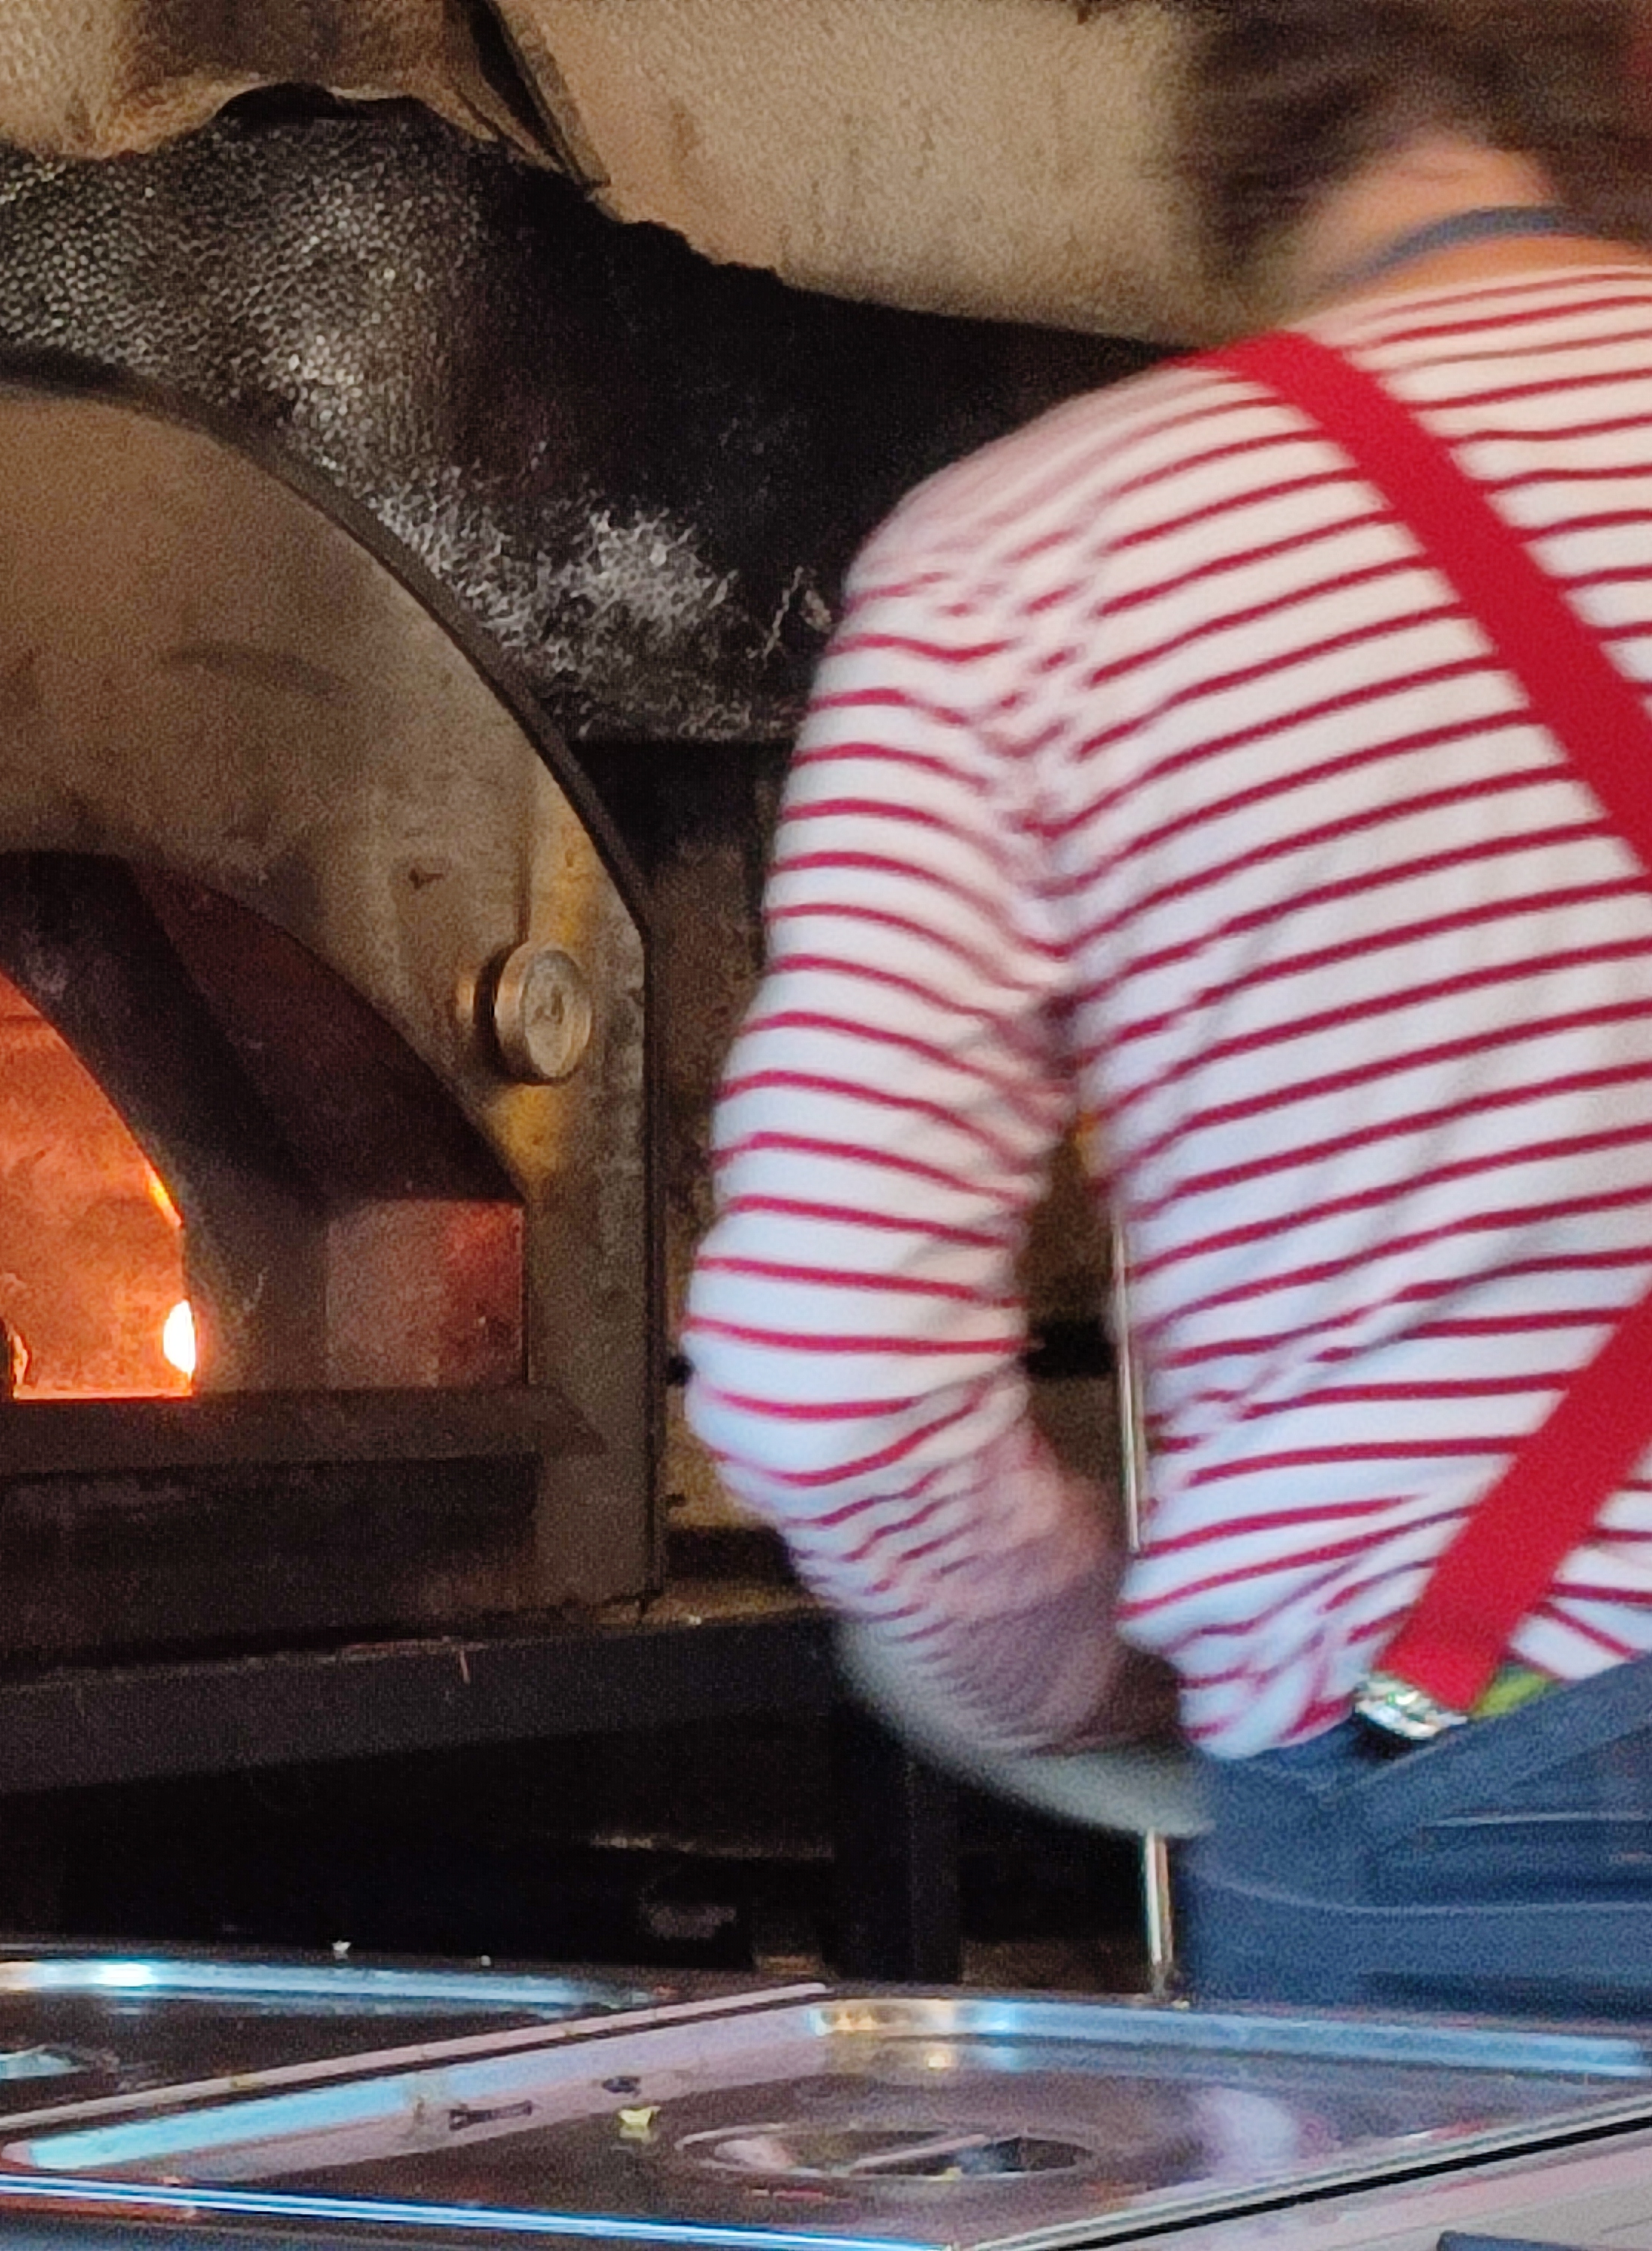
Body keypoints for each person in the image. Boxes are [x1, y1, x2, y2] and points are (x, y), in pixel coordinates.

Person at [683, 0, 1652, 2016]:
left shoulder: (1035, 563)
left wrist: (1079, 1679)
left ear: (1232, 123)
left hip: (1454, 1825)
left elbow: (818, 1363)